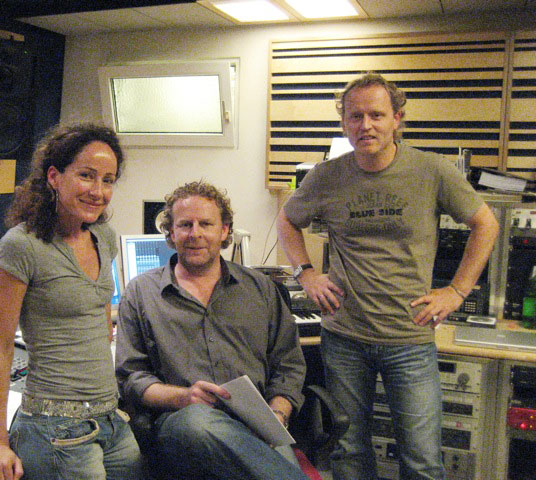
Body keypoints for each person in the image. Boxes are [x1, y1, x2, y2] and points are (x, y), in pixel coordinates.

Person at [276, 73, 499, 480]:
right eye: (355, 116)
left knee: (422, 461)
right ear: (344, 122)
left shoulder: (432, 170)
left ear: (397, 118)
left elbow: (486, 224)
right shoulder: (325, 176)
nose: (366, 125)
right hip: (344, 336)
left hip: (409, 338)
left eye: (376, 115)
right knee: (348, 453)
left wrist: (456, 291)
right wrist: (306, 273)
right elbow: (287, 220)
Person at [0, 123, 143, 480]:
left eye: (108, 180)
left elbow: (102, 321)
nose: (98, 191)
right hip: (54, 427)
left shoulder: (104, 236)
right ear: (54, 176)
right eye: (86, 175)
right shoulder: (20, 246)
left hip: (110, 420)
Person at [115, 180, 309, 480]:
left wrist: (277, 414)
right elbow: (132, 379)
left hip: (255, 426)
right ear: (171, 233)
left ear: (224, 230)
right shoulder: (141, 292)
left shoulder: (260, 289)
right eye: (185, 225)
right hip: (182, 427)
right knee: (197, 421)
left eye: (206, 224)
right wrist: (185, 397)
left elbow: (289, 365)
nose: (195, 233)